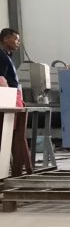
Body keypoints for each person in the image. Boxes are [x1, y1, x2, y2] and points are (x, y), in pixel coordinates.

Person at [0, 27, 32, 175]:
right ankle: (14, 170)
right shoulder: (1, 56)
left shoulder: (6, 56)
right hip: (8, 99)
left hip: (13, 98)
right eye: (16, 39)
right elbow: (1, 80)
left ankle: (18, 169)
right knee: (11, 135)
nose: (18, 42)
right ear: (6, 38)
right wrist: (8, 99)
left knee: (16, 136)